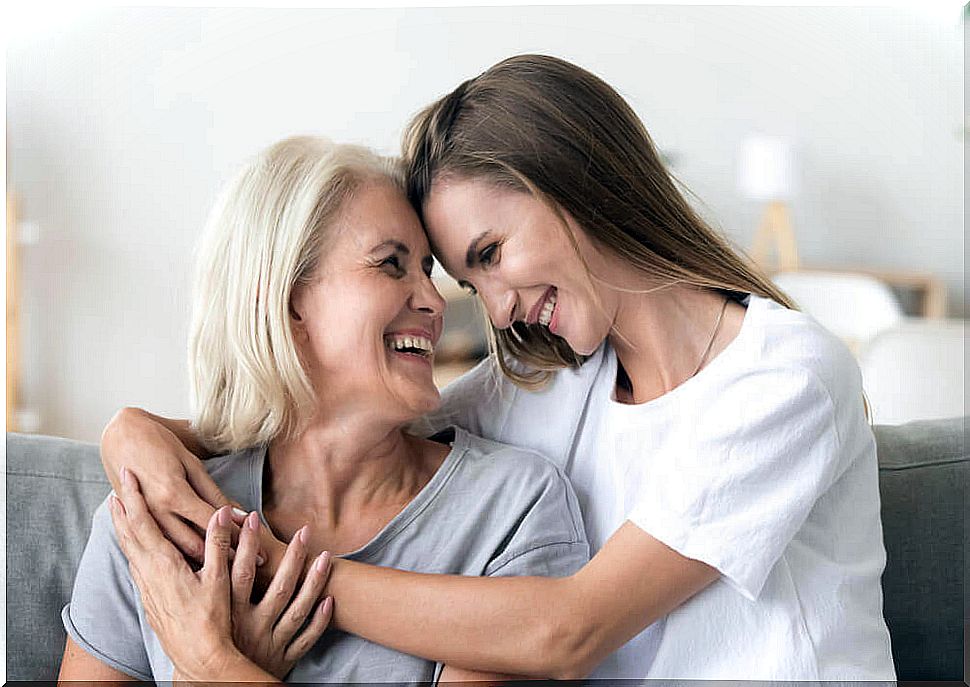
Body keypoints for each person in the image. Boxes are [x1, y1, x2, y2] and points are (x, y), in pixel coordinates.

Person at [99, 55, 896, 680]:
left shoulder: (784, 375)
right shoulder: (562, 381)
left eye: (491, 254)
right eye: (470, 281)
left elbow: (570, 630)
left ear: (575, 180)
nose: (495, 307)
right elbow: (338, 413)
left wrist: (269, 568)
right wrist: (135, 431)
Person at [57, 136, 588, 683]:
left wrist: (214, 668)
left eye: (427, 270)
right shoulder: (158, 517)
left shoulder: (508, 510)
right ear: (287, 302)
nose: (432, 301)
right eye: (391, 265)